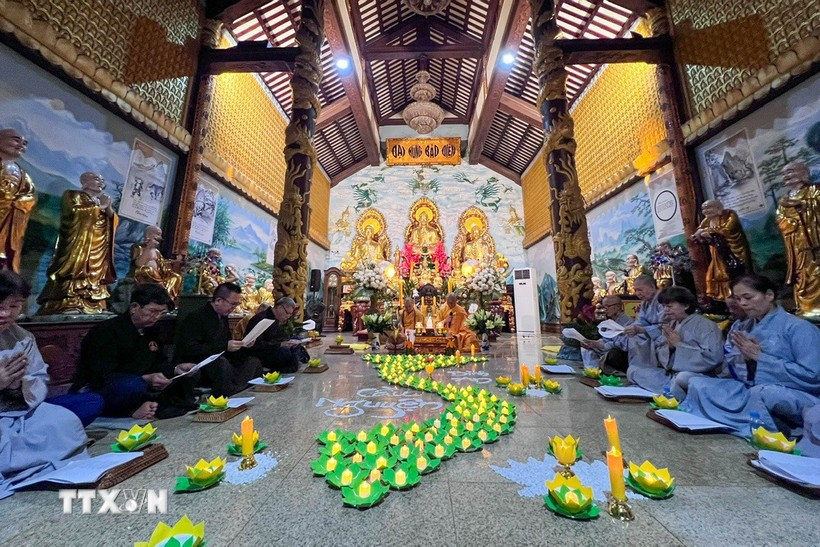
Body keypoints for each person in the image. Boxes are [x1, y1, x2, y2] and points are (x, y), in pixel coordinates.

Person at [685, 274, 820, 438]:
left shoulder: (799, 328)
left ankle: (774, 426)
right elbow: (732, 369)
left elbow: (813, 376)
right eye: (738, 298)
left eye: (748, 297)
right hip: (749, 387)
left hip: (794, 393)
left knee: (765, 393)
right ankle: (762, 421)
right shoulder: (742, 326)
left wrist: (761, 358)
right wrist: (745, 360)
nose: (742, 303)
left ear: (769, 295)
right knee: (698, 384)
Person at [0, 271, 89, 499]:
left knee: (63, 420)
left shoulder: (21, 338)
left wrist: (15, 385)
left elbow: (38, 378)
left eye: (14, 306)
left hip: (15, 411)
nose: (6, 314)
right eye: (0, 305)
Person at [73, 283, 197, 420]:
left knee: (185, 376)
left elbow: (159, 361)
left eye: (161, 313)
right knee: (131, 385)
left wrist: (175, 369)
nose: (156, 317)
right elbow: (101, 374)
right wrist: (144, 378)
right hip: (104, 386)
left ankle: (151, 404)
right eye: (153, 311)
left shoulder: (152, 330)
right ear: (134, 307)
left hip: (142, 381)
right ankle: (131, 410)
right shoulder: (106, 331)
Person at [37, 172, 118, 314]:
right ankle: (69, 302)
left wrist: (108, 207)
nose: (100, 182)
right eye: (96, 179)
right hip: (79, 242)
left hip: (97, 245)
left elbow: (112, 221)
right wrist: (100, 206)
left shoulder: (101, 200)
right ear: (85, 182)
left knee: (96, 273)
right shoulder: (73, 195)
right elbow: (75, 212)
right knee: (76, 269)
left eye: (102, 180)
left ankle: (96, 303)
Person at [627, 286, 723, 399]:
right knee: (633, 370)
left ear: (686, 305)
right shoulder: (672, 324)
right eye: (664, 306)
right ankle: (672, 390)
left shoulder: (705, 325)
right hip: (671, 376)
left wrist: (679, 345)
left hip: (699, 375)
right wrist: (670, 347)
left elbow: (714, 358)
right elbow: (664, 359)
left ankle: (673, 393)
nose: (666, 310)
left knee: (683, 378)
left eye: (670, 306)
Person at [174, 282, 262, 396]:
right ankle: (227, 392)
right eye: (232, 304)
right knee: (221, 364)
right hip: (200, 362)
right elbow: (190, 349)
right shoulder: (195, 317)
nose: (234, 308)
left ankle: (243, 390)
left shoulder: (223, 317)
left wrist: (242, 345)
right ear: (218, 300)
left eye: (236, 304)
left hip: (221, 358)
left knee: (253, 362)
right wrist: (225, 346)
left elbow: (227, 345)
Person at [0, 128, 37, 273]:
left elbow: (30, 196)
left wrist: (18, 202)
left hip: (8, 224)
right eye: (16, 140)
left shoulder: (23, 175)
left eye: (24, 143)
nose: (21, 145)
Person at [244, 297, 301, 373]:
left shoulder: (275, 319)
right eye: (288, 313)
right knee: (285, 353)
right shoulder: (261, 319)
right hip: (260, 352)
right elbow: (258, 344)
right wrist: (280, 344)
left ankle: (292, 363)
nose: (288, 317)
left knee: (296, 340)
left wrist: (288, 342)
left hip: (273, 348)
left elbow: (277, 337)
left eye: (290, 315)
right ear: (280, 307)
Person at [580, 295, 632, 374]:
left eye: (607, 306)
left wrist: (604, 346)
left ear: (618, 306)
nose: (605, 310)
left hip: (623, 354)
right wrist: (593, 343)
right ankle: (593, 371)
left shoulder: (629, 323)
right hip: (606, 349)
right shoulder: (610, 322)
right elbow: (606, 339)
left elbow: (625, 345)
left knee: (614, 354)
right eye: (604, 307)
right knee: (588, 348)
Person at [622, 275, 664, 370]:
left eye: (640, 290)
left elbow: (665, 325)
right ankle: (636, 367)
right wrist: (632, 327)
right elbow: (640, 321)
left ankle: (645, 369)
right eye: (635, 290)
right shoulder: (645, 302)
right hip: (649, 332)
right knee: (631, 334)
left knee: (637, 336)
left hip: (663, 333)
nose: (638, 293)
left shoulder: (662, 300)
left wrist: (643, 330)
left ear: (652, 287)